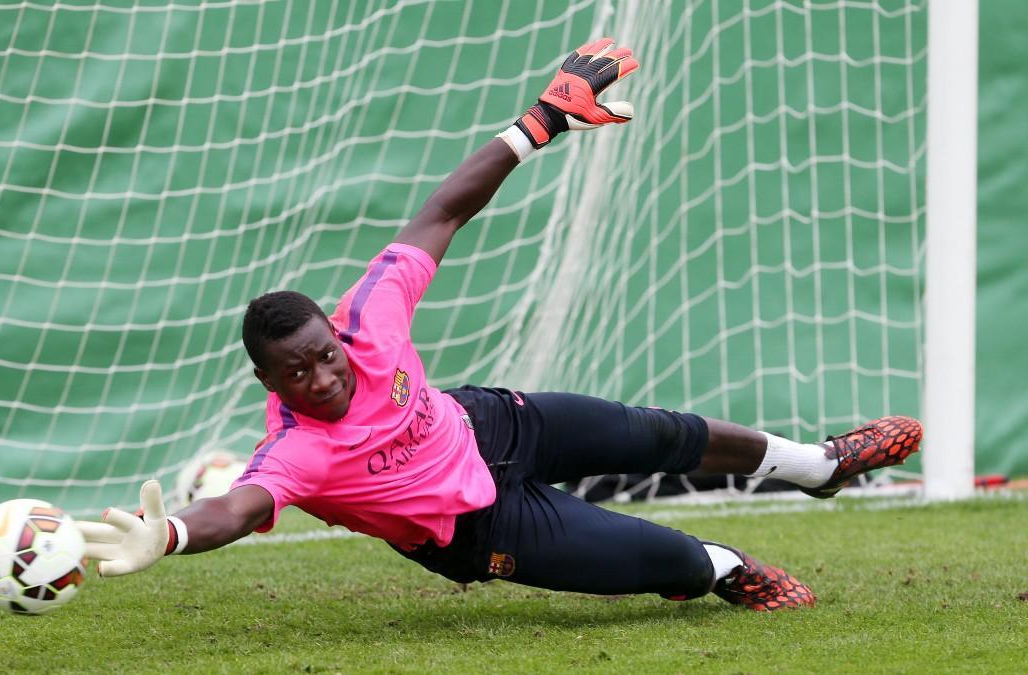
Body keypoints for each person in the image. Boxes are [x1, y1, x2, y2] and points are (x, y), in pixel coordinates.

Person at [77, 39, 922, 611]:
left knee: (661, 432)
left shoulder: (370, 317)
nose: (323, 377)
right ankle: (729, 569)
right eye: (297, 374)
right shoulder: (299, 449)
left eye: (324, 357)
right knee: (665, 559)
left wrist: (541, 121)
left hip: (488, 423)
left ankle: (819, 465)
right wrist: (175, 532)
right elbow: (239, 506)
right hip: (476, 526)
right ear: (270, 385)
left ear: (335, 335)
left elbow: (443, 209)